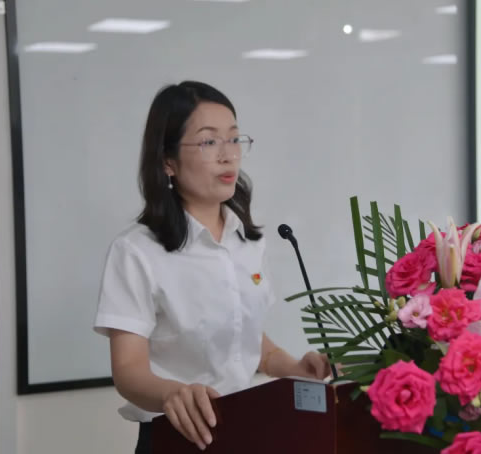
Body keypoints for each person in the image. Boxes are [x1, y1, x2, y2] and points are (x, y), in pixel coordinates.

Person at [93, 81, 331, 453]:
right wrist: (173, 393)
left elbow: (248, 339)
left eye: (234, 139)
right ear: (167, 161)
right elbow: (128, 370)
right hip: (177, 438)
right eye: (209, 142)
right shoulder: (137, 250)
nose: (228, 155)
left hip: (247, 433)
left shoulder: (249, 241)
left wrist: (295, 368)